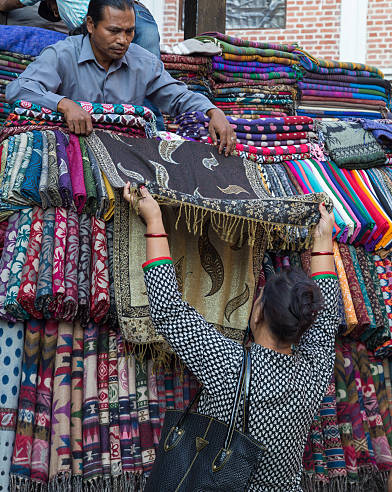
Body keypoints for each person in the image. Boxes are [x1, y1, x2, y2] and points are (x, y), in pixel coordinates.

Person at [123, 181, 337, 491]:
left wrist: (155, 221)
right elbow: (326, 318)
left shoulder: (230, 365)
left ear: (259, 313)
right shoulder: (314, 372)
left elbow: (169, 310)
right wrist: (323, 242)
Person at [6, 0, 237, 154]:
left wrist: (212, 111)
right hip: (69, 156)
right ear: (90, 24)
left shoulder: (142, 62)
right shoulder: (62, 54)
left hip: (124, 159)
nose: (123, 40)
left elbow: (177, 96)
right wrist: (64, 104)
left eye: (129, 32)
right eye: (114, 31)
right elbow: (18, 90)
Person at [0, 0, 164, 126]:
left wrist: (4, 2)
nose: (57, 14)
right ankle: (154, 138)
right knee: (149, 85)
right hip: (140, 12)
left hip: (110, 19)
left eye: (53, 9)